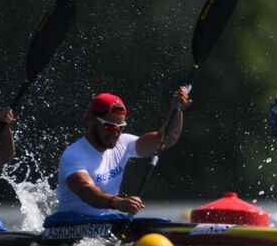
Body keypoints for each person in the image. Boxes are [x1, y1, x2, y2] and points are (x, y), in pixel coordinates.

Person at [51, 89, 191, 219]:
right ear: (91, 120)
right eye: (109, 126)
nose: (115, 133)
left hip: (102, 224)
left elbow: (165, 139)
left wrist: (176, 110)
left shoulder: (123, 144)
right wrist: (118, 202)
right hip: (69, 225)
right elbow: (85, 191)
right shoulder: (74, 154)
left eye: (120, 127)